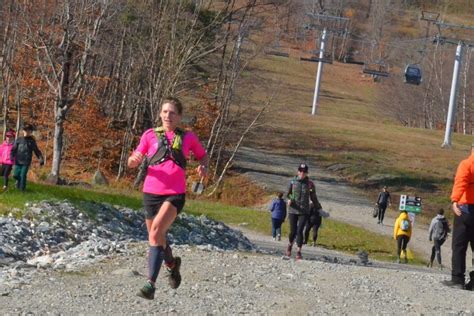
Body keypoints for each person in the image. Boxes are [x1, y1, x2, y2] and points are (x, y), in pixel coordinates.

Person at [128, 97, 208, 300]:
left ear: (179, 116)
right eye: (165, 112)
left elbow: (203, 155)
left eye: (172, 113)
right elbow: (132, 160)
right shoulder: (149, 135)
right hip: (150, 193)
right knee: (157, 238)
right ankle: (172, 265)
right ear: (160, 114)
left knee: (155, 233)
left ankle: (150, 285)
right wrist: (134, 160)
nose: (168, 116)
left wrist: (203, 166)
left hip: (175, 194)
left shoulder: (188, 137)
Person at [444, 144, 474, 290]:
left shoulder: (467, 164)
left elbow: (461, 182)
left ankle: (457, 279)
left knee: (459, 246)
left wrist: (454, 200)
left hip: (466, 210)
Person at [286, 163, 323, 260]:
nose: (302, 173)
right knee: (293, 231)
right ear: (298, 171)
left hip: (304, 211)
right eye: (301, 171)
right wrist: (289, 199)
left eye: (304, 172)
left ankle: (298, 251)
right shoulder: (293, 182)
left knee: (300, 231)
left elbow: (314, 198)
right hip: (293, 210)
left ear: (306, 173)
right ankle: (290, 245)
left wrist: (319, 209)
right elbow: (288, 194)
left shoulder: (310, 184)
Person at [10, 124, 44, 192]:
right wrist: (12, 156)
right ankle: (19, 183)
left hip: (26, 162)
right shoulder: (19, 139)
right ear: (23, 131)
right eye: (25, 130)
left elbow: (36, 150)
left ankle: (22, 190)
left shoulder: (32, 141)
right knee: (15, 175)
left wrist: (40, 158)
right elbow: (13, 149)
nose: (27, 132)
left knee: (23, 175)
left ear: (30, 131)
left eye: (29, 130)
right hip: (18, 161)